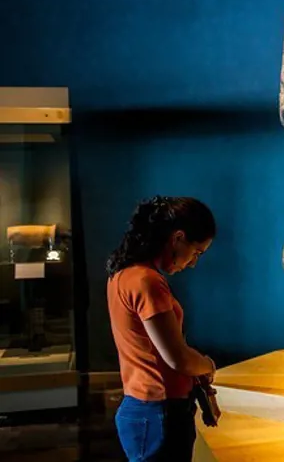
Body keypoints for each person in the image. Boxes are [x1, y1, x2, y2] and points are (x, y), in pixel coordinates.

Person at [106, 196, 219, 461]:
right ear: (178, 238)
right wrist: (207, 365)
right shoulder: (147, 281)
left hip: (145, 409)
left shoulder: (122, 274)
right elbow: (177, 357)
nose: (193, 263)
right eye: (197, 252)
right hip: (159, 412)